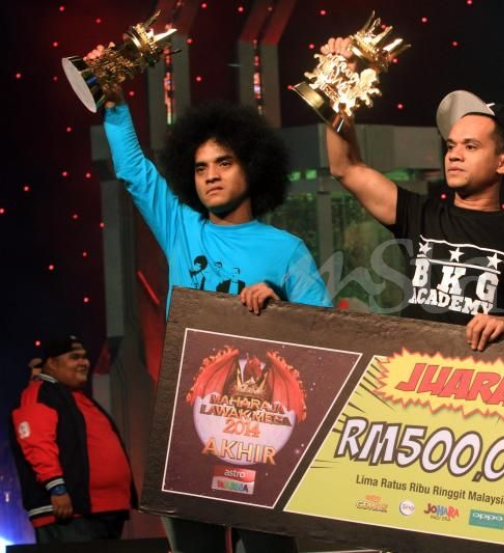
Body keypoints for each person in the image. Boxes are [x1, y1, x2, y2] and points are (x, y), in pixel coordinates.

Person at [86, 43, 332, 553]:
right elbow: (133, 171)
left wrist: (280, 305)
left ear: (253, 167)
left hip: (264, 432)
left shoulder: (286, 249)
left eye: (224, 162)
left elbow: (326, 332)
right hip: (189, 427)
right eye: (200, 168)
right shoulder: (182, 228)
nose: (212, 175)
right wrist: (115, 103)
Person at [322, 38, 504, 349]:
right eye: (451, 146)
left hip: (484, 375)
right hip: (412, 371)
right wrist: (341, 89)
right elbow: (345, 167)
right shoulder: (418, 214)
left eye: (471, 146)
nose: (454, 155)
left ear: (503, 163)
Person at [10, 335, 136, 544]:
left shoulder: (75, 396)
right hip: (69, 513)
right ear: (52, 363)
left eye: (85, 357)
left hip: (105, 510)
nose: (83, 362)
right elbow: (37, 444)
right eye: (74, 357)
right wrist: (57, 488)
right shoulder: (41, 394)